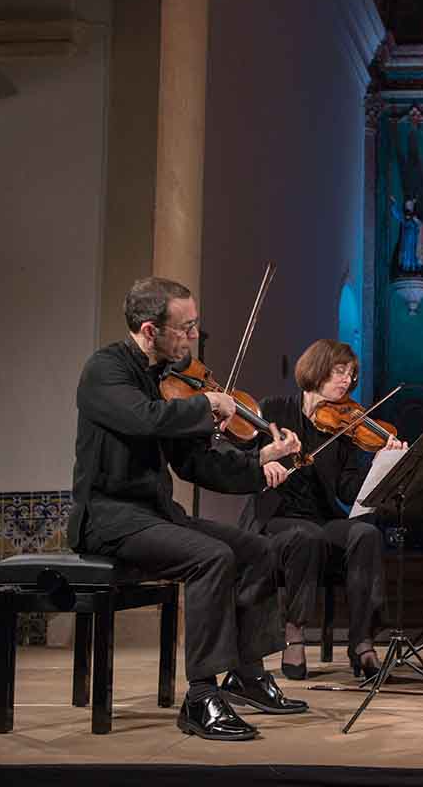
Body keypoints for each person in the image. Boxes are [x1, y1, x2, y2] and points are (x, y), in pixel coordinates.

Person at [69, 277, 322, 742]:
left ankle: (245, 674)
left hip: (157, 514)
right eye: (185, 328)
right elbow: (143, 420)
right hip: (109, 519)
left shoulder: (167, 383)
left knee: (258, 551)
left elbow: (195, 464)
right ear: (150, 330)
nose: (192, 337)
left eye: (194, 327)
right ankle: (201, 696)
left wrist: (260, 458)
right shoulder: (105, 371)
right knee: (212, 557)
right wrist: (207, 403)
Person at [240, 339, 405, 681]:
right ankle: (295, 632)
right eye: (339, 371)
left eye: (351, 374)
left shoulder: (346, 429)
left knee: (364, 533)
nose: (347, 380)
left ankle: (362, 641)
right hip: (275, 518)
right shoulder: (275, 410)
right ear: (317, 370)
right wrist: (263, 464)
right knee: (307, 536)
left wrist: (379, 462)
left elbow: (347, 490)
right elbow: (243, 454)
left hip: (321, 518)